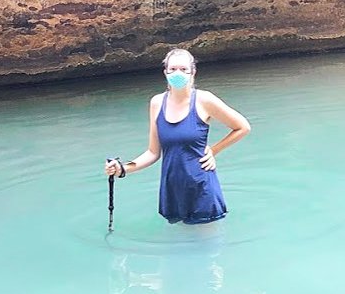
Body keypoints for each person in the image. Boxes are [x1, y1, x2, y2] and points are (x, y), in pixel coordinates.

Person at [104, 46, 250, 225]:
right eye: (172, 69)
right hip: (172, 189)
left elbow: (242, 127)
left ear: (193, 73)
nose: (177, 73)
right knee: (177, 246)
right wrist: (123, 168)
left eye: (183, 69)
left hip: (201, 186)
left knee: (208, 248)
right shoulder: (157, 103)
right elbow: (153, 152)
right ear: (165, 72)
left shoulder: (205, 100)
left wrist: (213, 151)